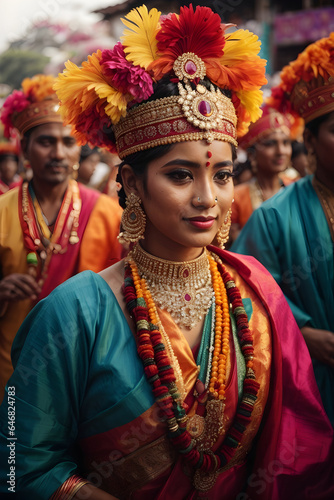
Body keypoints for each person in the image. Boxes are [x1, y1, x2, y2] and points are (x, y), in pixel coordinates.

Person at [0, 6, 333, 500]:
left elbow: (296, 449)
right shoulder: (72, 313)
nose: (208, 199)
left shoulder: (257, 291)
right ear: (133, 183)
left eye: (221, 175)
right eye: (181, 175)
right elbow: (17, 463)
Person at [231, 33, 334, 427]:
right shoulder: (272, 217)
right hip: (309, 377)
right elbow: (248, 293)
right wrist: (304, 331)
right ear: (308, 140)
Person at [0, 74, 123, 402]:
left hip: (81, 363)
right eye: (45, 142)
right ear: (24, 147)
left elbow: (123, 296)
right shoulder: (1, 211)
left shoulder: (108, 214)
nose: (57, 153)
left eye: (68, 142)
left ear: (78, 148)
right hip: (10, 363)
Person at [229, 105, 297, 244]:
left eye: (285, 143)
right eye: (271, 144)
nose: (281, 151)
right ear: (251, 154)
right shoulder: (236, 199)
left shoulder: (298, 188)